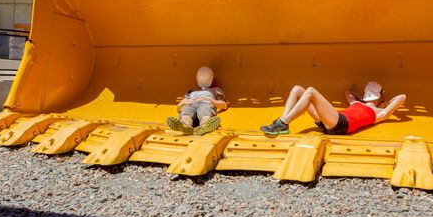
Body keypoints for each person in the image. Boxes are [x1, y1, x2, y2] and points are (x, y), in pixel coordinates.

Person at [260, 81, 406, 135]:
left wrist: (384, 103)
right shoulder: (356, 103)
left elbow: (402, 97)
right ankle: (283, 124)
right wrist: (363, 99)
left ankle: (283, 122)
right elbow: (348, 92)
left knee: (311, 91)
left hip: (341, 125)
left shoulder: (380, 113)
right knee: (298, 89)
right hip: (330, 121)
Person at [166, 66, 227, 135]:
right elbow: (178, 109)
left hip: (205, 103)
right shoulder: (191, 91)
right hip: (190, 104)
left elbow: (224, 105)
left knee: (205, 115)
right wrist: (183, 102)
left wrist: (209, 100)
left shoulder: (215, 90)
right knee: (186, 115)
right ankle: (185, 127)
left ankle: (205, 126)